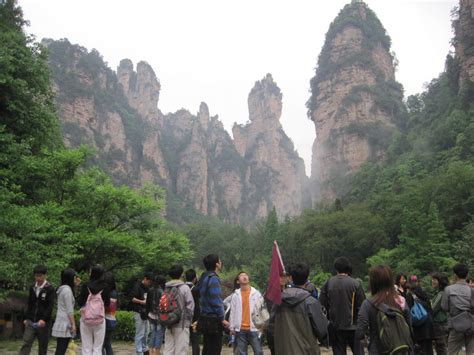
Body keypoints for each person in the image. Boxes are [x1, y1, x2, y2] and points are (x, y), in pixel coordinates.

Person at [355, 265, 413, 355]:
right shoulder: (401, 300)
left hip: (377, 349)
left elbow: (360, 331)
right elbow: (409, 323)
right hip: (401, 349)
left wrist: (366, 342)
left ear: (373, 281)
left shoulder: (368, 303)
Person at [273, 263, 328, 355]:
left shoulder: (278, 301)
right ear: (307, 278)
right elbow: (322, 330)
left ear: (290, 278)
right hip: (307, 350)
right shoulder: (311, 302)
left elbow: (271, 325)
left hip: (283, 349)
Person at [320, 257, 365, 355]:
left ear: (336, 268)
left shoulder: (328, 283)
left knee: (339, 351)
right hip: (353, 326)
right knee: (358, 352)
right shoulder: (356, 283)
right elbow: (362, 306)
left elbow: (322, 304)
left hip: (336, 326)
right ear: (348, 267)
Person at [196, 254, 229, 355]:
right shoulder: (214, 278)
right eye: (220, 261)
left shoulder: (204, 277)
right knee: (214, 348)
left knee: (207, 347)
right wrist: (222, 317)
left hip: (205, 317)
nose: (221, 263)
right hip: (214, 319)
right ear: (217, 264)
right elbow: (216, 300)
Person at [20, 265, 55, 355]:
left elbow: (50, 306)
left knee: (42, 346)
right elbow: (29, 303)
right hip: (31, 321)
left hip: (43, 323)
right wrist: (26, 318)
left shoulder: (49, 288)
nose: (38, 278)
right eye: (36, 276)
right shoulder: (32, 287)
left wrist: (43, 319)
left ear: (45, 275)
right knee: (26, 343)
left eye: (40, 276)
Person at [228, 271, 264, 355]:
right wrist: (231, 327)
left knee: (258, 351)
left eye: (246, 275)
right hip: (240, 329)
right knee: (242, 353)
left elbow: (262, 310)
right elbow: (232, 312)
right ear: (238, 281)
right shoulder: (235, 295)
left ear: (248, 279)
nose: (244, 276)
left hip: (254, 328)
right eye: (241, 275)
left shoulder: (256, 294)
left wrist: (262, 325)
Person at [77, 265, 110, 355]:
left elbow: (80, 302)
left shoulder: (86, 286)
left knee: (86, 347)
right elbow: (107, 304)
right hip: (100, 320)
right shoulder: (105, 287)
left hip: (85, 319)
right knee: (98, 348)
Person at [441, 263, 474, 354]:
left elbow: (444, 307)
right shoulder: (471, 290)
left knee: (452, 352)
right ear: (467, 275)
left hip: (455, 325)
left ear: (455, 275)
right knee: (471, 352)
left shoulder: (448, 289)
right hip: (470, 326)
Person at [162, 264, 195, 355]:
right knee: (181, 351)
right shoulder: (184, 288)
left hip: (168, 322)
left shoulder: (166, 287)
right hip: (182, 324)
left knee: (168, 350)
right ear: (181, 275)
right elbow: (190, 306)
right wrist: (188, 321)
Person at [406, 275, 434, 355]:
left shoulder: (409, 295)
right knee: (429, 349)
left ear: (409, 283)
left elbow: (409, 313)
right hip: (429, 324)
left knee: (420, 350)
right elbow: (430, 309)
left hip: (419, 326)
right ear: (419, 282)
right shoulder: (424, 293)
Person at [52, 268, 77, 355]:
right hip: (65, 323)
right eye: (74, 277)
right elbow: (69, 310)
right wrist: (73, 324)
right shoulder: (67, 291)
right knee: (61, 348)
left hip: (61, 321)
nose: (75, 279)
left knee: (60, 348)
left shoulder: (62, 289)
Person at [266, 271, 290, 355]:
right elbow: (271, 311)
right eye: (280, 276)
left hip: (288, 330)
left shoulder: (291, 291)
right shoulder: (270, 292)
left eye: (284, 276)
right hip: (274, 330)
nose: (283, 279)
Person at [131, 271, 153, 355]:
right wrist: (142, 302)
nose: (149, 283)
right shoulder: (137, 286)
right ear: (145, 279)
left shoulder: (147, 288)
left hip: (146, 313)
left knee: (146, 333)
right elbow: (132, 298)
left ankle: (144, 349)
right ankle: (139, 352)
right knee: (139, 333)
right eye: (149, 281)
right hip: (138, 312)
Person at [147, 274, 166, 355]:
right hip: (159, 316)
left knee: (153, 333)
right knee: (159, 334)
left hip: (151, 315)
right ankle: (157, 352)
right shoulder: (162, 292)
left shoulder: (150, 290)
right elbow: (163, 306)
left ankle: (151, 352)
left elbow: (147, 304)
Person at [431, 272, 449, 355]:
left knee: (441, 347)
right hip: (442, 324)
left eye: (435, 280)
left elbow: (433, 309)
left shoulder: (441, 294)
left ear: (440, 282)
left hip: (439, 324)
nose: (432, 281)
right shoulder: (441, 293)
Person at [185, 269, 201, 355]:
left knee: (183, 340)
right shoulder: (196, 289)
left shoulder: (181, 288)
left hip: (183, 318)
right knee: (195, 340)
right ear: (195, 278)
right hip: (195, 318)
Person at [103, 272, 118, 355]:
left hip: (107, 320)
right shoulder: (114, 292)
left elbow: (109, 308)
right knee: (107, 343)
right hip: (111, 319)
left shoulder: (110, 293)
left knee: (104, 344)